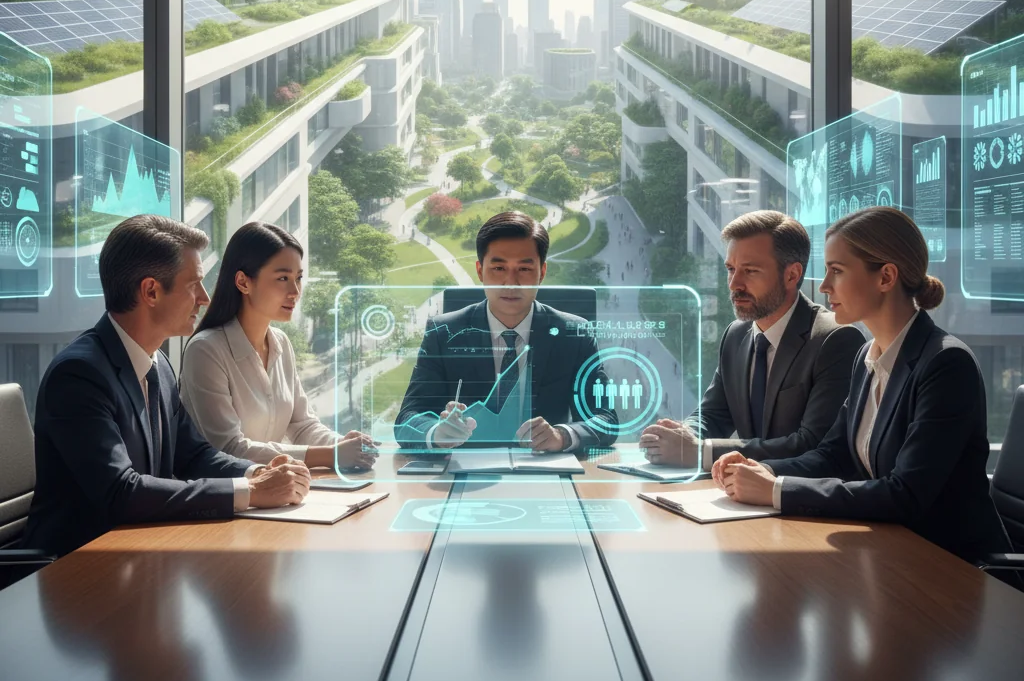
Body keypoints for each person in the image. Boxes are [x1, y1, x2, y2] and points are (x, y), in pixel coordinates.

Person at [715, 207, 1010, 563]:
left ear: (886, 277)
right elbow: (833, 454)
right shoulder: (866, 357)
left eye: (836, 271)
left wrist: (777, 490)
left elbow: (905, 494)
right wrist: (762, 469)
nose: (823, 286)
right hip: (891, 555)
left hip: (952, 569)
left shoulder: (946, 364)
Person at [22, 216, 311, 558]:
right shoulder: (79, 374)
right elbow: (121, 492)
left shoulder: (157, 362)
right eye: (194, 285)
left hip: (141, 554)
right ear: (151, 291)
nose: (204, 298)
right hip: (75, 571)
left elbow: (194, 455)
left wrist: (259, 471)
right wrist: (249, 490)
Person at [640, 211, 864, 470]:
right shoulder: (736, 335)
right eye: (731, 269)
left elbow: (813, 444)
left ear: (792, 275)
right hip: (742, 496)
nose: (735, 283)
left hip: (798, 502)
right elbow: (714, 413)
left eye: (750, 271)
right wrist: (681, 435)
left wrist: (701, 452)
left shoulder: (836, 339)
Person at [395, 210, 617, 451]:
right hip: (466, 472)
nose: (511, 282)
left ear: (542, 272)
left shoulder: (575, 334)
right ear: (480, 271)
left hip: (546, 470)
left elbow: (606, 419)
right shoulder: (443, 333)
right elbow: (408, 418)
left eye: (524, 269)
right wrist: (436, 432)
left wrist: (562, 435)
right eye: (499, 269)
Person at [180, 222, 377, 469]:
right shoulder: (205, 351)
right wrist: (331, 455)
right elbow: (229, 447)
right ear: (243, 282)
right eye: (283, 278)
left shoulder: (281, 343)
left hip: (277, 492)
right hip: (229, 498)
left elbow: (302, 425)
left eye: (298, 278)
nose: (295, 291)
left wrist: (345, 445)